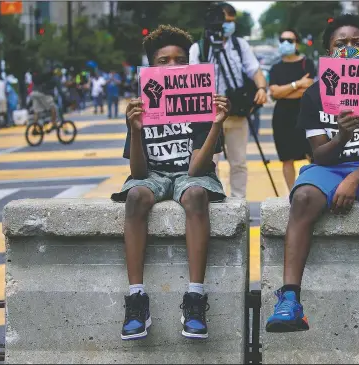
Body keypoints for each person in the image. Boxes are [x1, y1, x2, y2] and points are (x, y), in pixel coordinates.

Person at [265, 14, 359, 341]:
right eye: (340, 44)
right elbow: (319, 155)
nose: (348, 49)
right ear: (327, 53)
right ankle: (290, 298)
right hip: (328, 166)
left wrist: (356, 178)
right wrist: (342, 136)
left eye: (356, 43)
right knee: (302, 198)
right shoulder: (315, 94)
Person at [110, 24, 229, 341]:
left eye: (180, 59)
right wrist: (135, 129)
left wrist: (216, 124)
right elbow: (137, 172)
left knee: (195, 196)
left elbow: (196, 169)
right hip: (153, 173)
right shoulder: (143, 101)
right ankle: (136, 298)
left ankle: (195, 297)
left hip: (191, 171)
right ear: (151, 67)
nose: (173, 66)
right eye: (164, 60)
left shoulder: (201, 100)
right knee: (134, 196)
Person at [189, 2, 268, 199]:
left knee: (238, 162)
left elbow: (254, 69)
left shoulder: (240, 45)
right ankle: (213, 198)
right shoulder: (199, 48)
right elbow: (191, 80)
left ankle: (239, 200)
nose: (227, 25)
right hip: (209, 115)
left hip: (237, 112)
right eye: (225, 21)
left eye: (232, 22)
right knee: (209, 162)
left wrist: (261, 87)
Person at [269, 29, 315, 191]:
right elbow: (274, 93)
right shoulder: (275, 68)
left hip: (306, 114)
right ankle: (292, 194)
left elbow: (308, 89)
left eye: (290, 40)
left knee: (313, 155)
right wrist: (297, 84)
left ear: (297, 43)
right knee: (286, 158)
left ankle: (317, 189)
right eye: (282, 40)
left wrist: (285, 90)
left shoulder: (306, 63)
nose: (285, 43)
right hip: (282, 117)